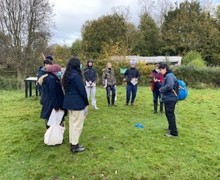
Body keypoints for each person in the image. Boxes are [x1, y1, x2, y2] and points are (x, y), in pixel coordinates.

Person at [62, 57, 89, 153]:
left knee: (72, 124)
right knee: (77, 125)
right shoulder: (76, 76)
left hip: (69, 103)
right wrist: (86, 102)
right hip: (77, 103)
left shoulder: (67, 75)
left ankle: (72, 142)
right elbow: (82, 90)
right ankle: (75, 146)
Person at [38, 64, 65, 129]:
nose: (60, 73)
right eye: (59, 71)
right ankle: (53, 136)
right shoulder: (51, 80)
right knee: (52, 121)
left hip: (50, 104)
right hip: (52, 105)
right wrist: (56, 106)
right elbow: (53, 94)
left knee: (51, 121)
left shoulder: (51, 78)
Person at [158, 63, 178, 137]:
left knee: (170, 114)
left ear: (164, 69)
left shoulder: (169, 76)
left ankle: (174, 133)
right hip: (169, 98)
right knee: (168, 114)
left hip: (171, 98)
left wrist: (161, 89)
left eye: (160, 70)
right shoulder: (169, 75)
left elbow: (170, 85)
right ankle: (171, 128)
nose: (160, 72)